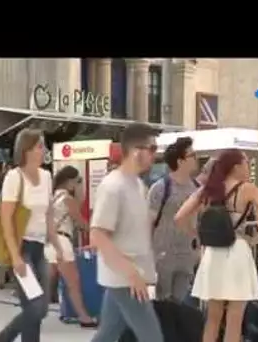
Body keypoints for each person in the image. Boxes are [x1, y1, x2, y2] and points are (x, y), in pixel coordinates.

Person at [174, 149, 258, 342]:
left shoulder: (208, 189)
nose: (249, 167)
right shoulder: (247, 189)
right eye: (247, 163)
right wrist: (255, 239)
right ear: (236, 166)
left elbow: (180, 217)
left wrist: (198, 236)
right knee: (234, 318)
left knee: (212, 317)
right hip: (237, 251)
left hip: (213, 254)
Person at [89, 123, 163, 342]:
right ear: (135, 151)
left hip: (128, 276)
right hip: (126, 278)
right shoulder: (113, 187)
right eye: (152, 149)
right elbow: (98, 234)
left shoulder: (138, 185)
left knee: (108, 334)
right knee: (152, 338)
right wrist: (131, 273)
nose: (154, 155)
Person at [0, 128, 63, 342]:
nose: (44, 150)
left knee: (37, 309)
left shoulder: (47, 176)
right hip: (22, 247)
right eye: (40, 146)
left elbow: (48, 214)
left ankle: (2, 339)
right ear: (27, 150)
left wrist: (56, 243)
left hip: (40, 247)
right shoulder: (14, 177)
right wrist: (15, 256)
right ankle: (3, 338)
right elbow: (6, 219)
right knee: (37, 307)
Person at [44, 165, 97, 327]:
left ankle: (31, 312)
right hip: (62, 242)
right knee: (73, 283)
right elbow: (81, 222)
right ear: (70, 182)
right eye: (77, 181)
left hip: (49, 243)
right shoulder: (67, 198)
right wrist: (99, 233)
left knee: (47, 282)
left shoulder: (54, 197)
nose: (78, 184)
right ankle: (84, 317)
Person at [148, 137, 199, 302]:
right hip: (163, 253)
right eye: (192, 155)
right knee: (163, 300)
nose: (196, 159)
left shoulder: (197, 188)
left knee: (180, 301)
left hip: (187, 253)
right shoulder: (161, 188)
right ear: (180, 161)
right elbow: (148, 222)